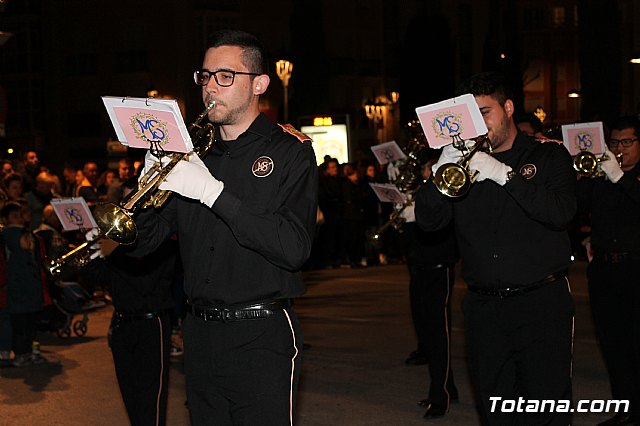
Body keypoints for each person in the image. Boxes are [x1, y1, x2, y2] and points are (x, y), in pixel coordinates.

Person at [125, 29, 318, 425]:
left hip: (261, 331)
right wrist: (145, 187)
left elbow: (294, 248)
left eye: (225, 76)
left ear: (259, 84)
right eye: (205, 76)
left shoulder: (290, 150)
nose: (210, 86)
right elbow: (145, 243)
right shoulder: (194, 154)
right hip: (199, 333)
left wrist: (214, 194)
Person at [415, 71, 576, 425]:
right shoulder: (463, 164)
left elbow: (560, 214)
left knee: (547, 408)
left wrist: (504, 175)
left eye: (485, 113)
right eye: (471, 118)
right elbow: (428, 223)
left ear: (507, 107)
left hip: (541, 302)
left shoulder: (548, 156)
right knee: (495, 410)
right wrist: (439, 174)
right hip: (484, 307)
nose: (480, 125)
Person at [578, 116, 640, 426]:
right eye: (614, 143)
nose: (619, 149)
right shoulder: (601, 176)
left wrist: (620, 178)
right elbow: (575, 208)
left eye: (627, 142)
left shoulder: (631, 178)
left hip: (636, 268)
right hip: (604, 270)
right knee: (613, 345)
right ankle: (625, 410)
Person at [396, 152, 459, 419]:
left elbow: (438, 231)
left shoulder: (445, 191)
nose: (426, 173)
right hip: (420, 269)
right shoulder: (421, 193)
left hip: (439, 268)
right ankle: (448, 387)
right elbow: (410, 243)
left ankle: (440, 396)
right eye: (424, 169)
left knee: (439, 334)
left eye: (429, 168)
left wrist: (416, 213)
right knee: (427, 332)